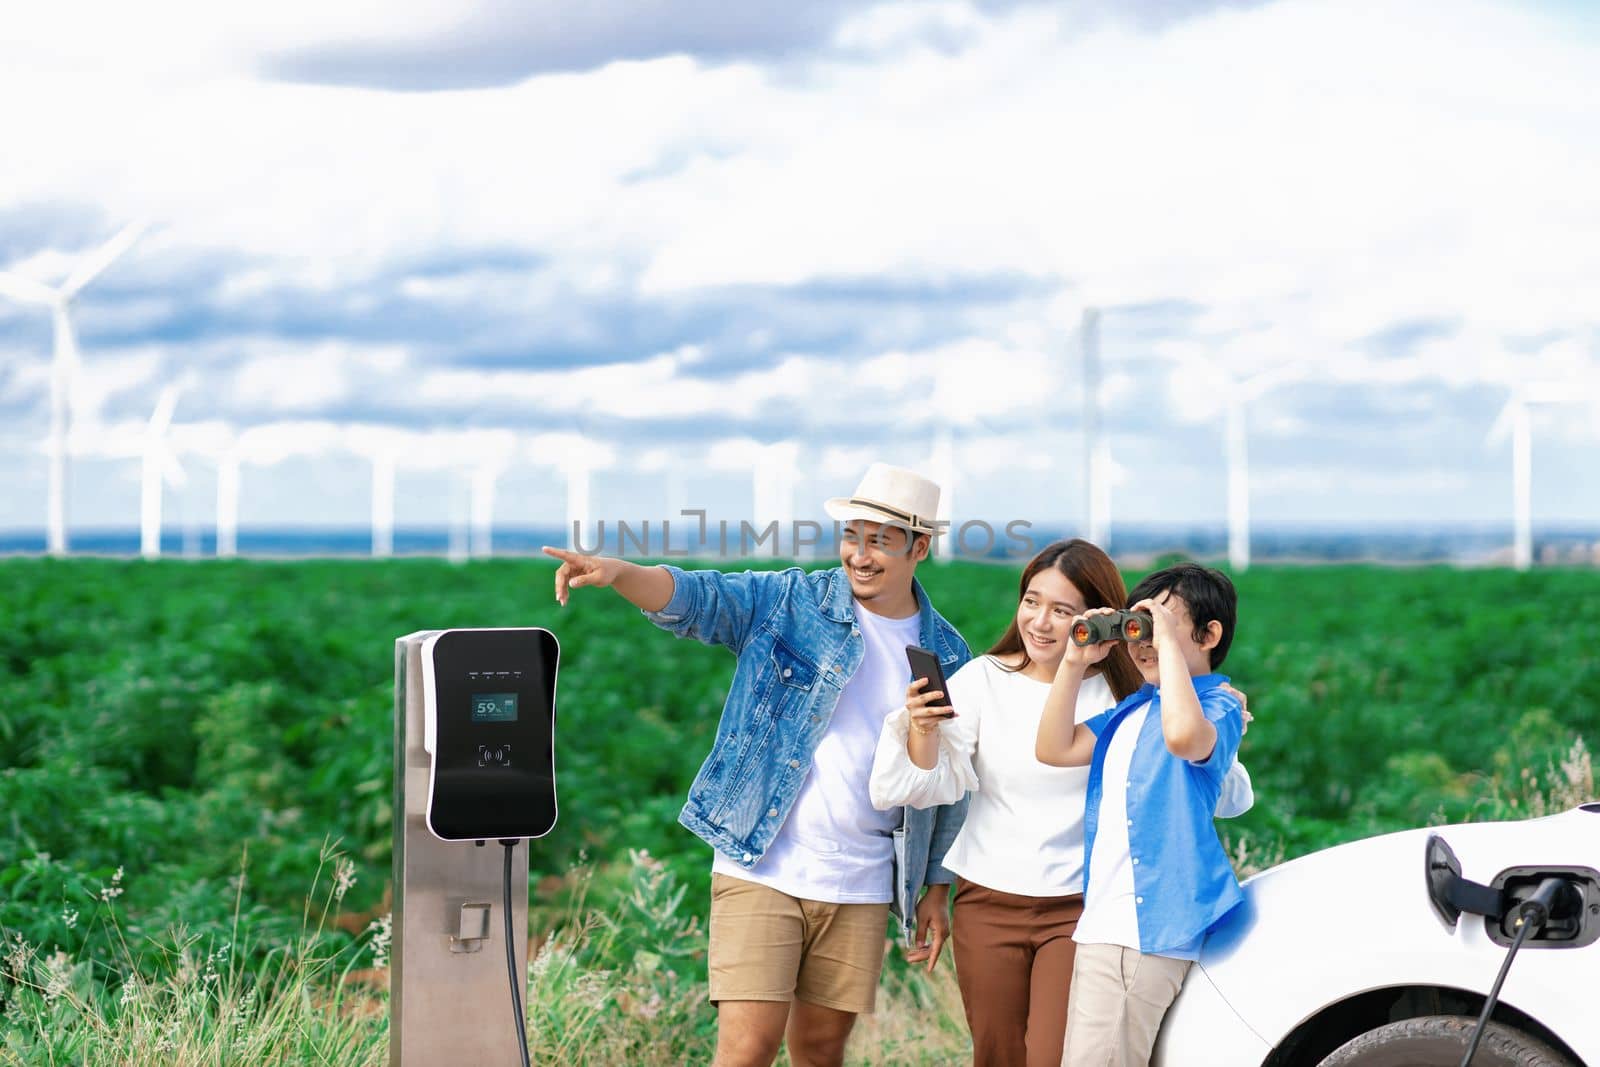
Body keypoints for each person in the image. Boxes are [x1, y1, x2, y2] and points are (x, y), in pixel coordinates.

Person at [541, 463, 970, 1067]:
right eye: (853, 536)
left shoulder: (947, 652)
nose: (861, 555)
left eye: (881, 540)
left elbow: (950, 785)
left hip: (865, 879)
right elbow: (699, 598)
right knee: (747, 1048)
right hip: (762, 862)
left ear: (919, 547)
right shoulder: (792, 601)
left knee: (821, 1050)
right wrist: (619, 574)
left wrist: (935, 885)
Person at [868, 541, 1253, 1067]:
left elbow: (1213, 782)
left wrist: (1214, 716)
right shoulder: (991, 680)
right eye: (1031, 601)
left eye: (1064, 611)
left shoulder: (1138, 696)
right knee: (997, 1055)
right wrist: (921, 731)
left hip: (1079, 907)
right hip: (991, 898)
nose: (1042, 622)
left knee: (1055, 1055)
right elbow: (938, 788)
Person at [1035, 562, 1248, 1067]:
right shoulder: (1136, 708)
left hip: (1143, 930)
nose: (1144, 642)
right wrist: (1073, 663)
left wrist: (1169, 649)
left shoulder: (1218, 708)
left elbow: (1184, 738)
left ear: (1209, 634)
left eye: (1159, 626)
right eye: (1138, 627)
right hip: (1111, 922)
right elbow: (1053, 747)